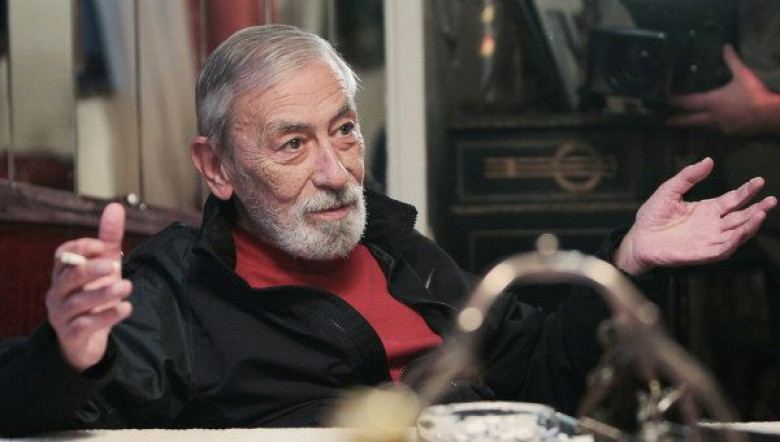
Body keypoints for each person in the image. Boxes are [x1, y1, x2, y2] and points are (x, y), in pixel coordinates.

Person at [0, 25, 776, 436]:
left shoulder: (396, 246)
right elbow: (37, 408)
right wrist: (69, 355)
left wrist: (629, 259)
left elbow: (539, 368)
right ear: (216, 167)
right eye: (292, 144)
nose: (336, 171)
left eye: (343, 130)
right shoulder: (174, 290)